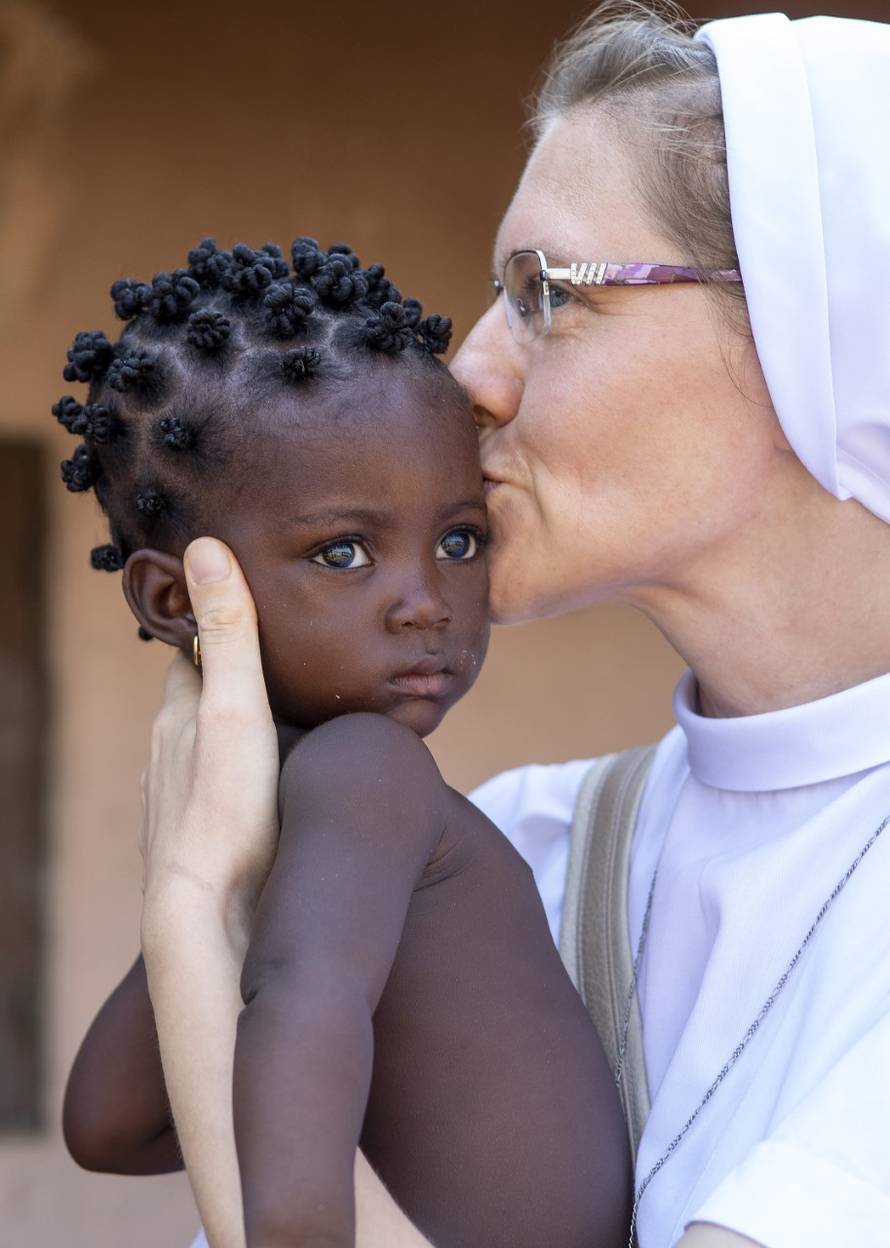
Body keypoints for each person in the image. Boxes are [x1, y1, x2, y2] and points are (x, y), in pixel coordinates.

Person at [112, 3, 890, 1247]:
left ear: (822, 322)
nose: (468, 371)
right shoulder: (521, 845)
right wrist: (203, 906)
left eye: (548, 294)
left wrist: (200, 903)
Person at [58, 235, 633, 1248]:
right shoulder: (323, 791)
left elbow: (290, 1004)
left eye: (458, 540)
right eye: (344, 551)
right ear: (175, 597)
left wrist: (195, 893)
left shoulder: (366, 774)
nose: (426, 603)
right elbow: (112, 1121)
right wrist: (202, 882)